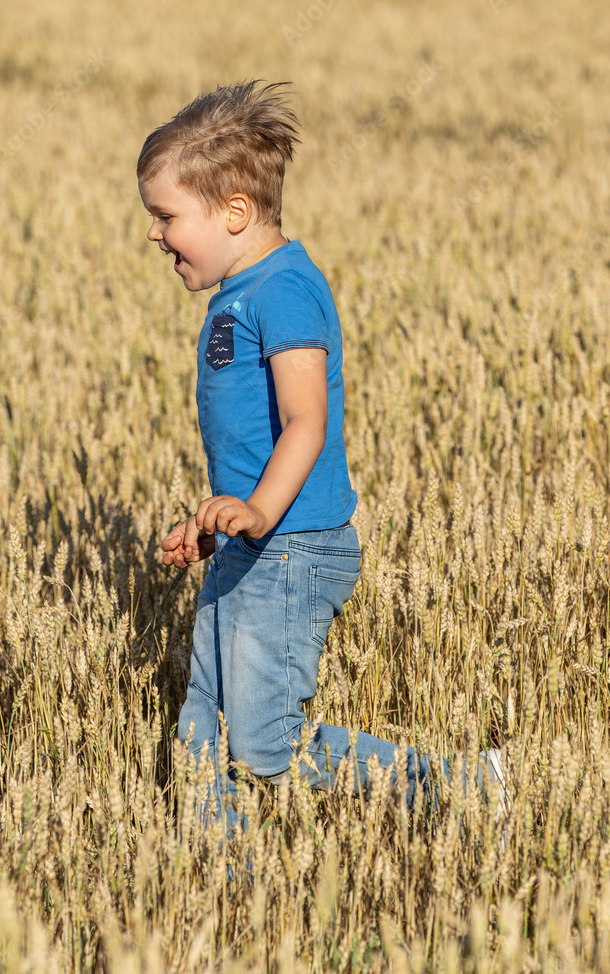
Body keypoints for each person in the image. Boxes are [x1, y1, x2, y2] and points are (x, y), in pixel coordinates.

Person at [137, 80, 505, 830]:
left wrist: (261, 510)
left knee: (266, 747)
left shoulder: (286, 292)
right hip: (251, 545)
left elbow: (306, 421)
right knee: (202, 732)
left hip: (295, 549)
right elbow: (255, 443)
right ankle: (221, 886)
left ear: (234, 212)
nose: (154, 235)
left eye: (166, 216)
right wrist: (221, 520)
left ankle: (459, 788)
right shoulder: (238, 293)